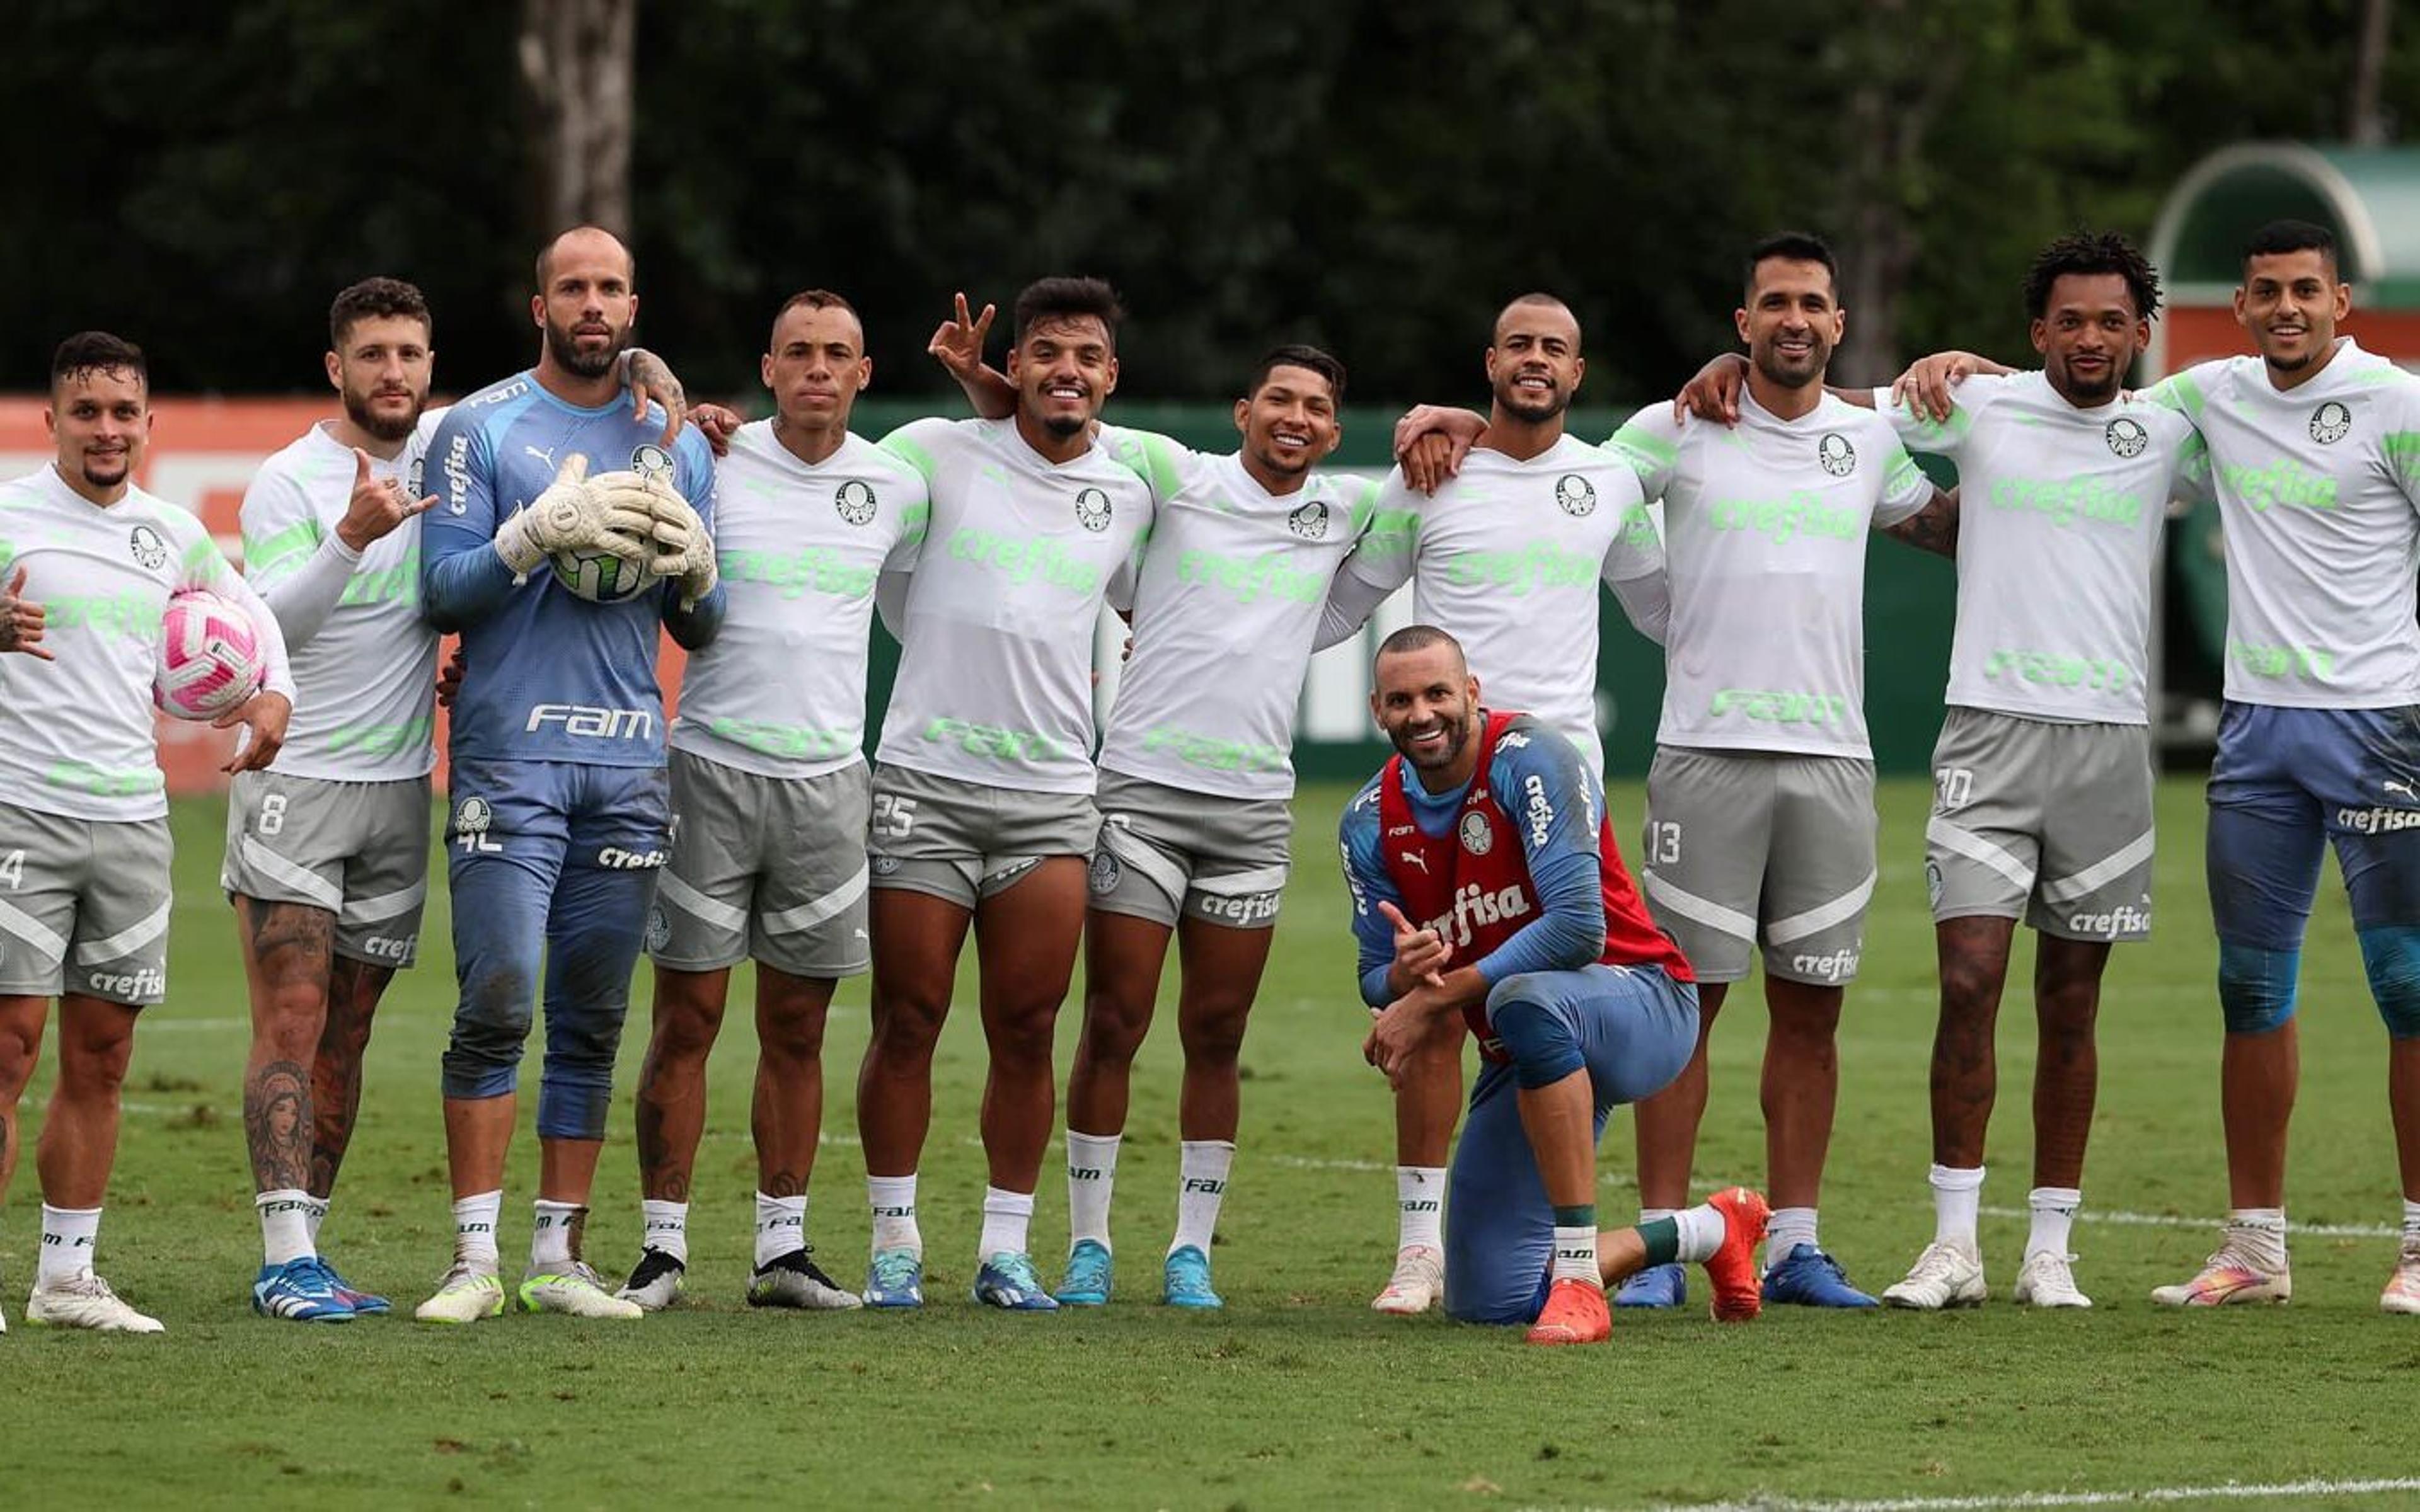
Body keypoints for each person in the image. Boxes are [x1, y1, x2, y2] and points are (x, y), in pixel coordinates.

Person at [1672, 232, 2206, 1309]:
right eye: (2071, 320)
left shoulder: (2174, 430)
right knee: (1968, 982)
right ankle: (1954, 1243)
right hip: (1985, 738)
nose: (2091, 338)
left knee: (2072, 1000)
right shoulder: (1978, 406)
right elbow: (1817, 398)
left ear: (2142, 334)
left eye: (2112, 321)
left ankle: (2049, 1250)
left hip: (2108, 745)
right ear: (2037, 331)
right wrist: (1729, 371)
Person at [928, 308, 1374, 1308]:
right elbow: (1060, 411)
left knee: (1217, 1033)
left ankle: (1191, 1253)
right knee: (1116, 1021)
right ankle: (1089, 1246)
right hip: (1139, 796)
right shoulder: (1176, 474)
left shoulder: (1347, 511)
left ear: (1335, 432)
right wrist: (977, 382)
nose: (1295, 419)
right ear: (1244, 410)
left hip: (1255, 810)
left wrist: (1449, 420)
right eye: (1280, 401)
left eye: (1316, 408)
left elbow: (1368, 579)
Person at [1315, 293, 1671, 1314]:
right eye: (1519, 343)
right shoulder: (1430, 473)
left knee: (1554, 1007)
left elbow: (1665, 609)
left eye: (1554, 347)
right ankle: (1420, 1247)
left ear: (1578, 369)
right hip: (1439, 786)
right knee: (1427, 992)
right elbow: (1340, 604)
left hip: (1558, 790)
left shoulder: (1607, 479)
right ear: (1489, 362)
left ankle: (1586, 1249)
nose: (1535, 359)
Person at [413, 226, 724, 1324]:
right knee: (497, 999)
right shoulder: (478, 426)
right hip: (511, 753)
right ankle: (471, 1263)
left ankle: (557, 1262)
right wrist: (531, 534)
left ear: (633, 308)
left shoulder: (673, 439)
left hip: (630, 763)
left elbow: (707, 623)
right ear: (538, 303)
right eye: (571, 288)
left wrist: (700, 568)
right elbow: (443, 593)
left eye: (609, 288)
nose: (592, 304)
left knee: (590, 1021)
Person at [614, 289, 925, 1313]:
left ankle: (781, 1253)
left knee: (799, 1027)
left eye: (840, 353)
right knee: (688, 1017)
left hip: (831, 784)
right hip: (708, 769)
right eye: (801, 352)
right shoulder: (718, 461)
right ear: (770, 366)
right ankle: (662, 1251)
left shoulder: (895, 485)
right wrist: (690, 419)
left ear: (865, 372)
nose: (820, 370)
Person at [852, 277, 1156, 1310]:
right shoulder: (931, 451)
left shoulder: (1136, 486)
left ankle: (1003, 1251)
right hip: (926, 785)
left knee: (1029, 1026)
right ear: (1011, 364)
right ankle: (895, 1245)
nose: (1066, 370)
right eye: (1046, 352)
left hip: (1051, 800)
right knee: (909, 1017)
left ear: (1112, 377)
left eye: (1086, 356)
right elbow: (829, 500)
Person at [1340, 624, 1765, 1343]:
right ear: (1377, 710)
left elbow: (1578, 931)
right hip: (1527, 1043)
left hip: (1643, 1000)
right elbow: (1373, 979)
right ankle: (1708, 1230)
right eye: (1402, 699)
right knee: (1488, 1300)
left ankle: (1577, 1281)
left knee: (1523, 996)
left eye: (1439, 693)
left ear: (1471, 694)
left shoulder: (1533, 759)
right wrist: (1404, 975)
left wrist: (1434, 996)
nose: (1423, 714)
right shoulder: (1366, 819)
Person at [0, 331, 295, 1332]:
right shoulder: (7, 514)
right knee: (9, 1047)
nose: (107, 430)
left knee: (104, 1054)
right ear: (52, 422)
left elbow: (250, 609)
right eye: (87, 412)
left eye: (124, 413)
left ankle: (66, 1279)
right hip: (20, 811)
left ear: (148, 425)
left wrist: (273, 695)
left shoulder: (172, 534)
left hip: (132, 821)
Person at [222, 278, 444, 1322]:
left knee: (349, 1029)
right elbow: (267, 633)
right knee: (295, 1014)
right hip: (299, 782)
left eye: (408, 353)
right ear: (336, 369)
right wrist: (351, 536)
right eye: (372, 354)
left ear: (429, 365)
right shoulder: (290, 480)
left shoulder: (454, 455)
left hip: (401, 788)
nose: (391, 371)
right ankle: (280, 1259)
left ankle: (309, 1249)